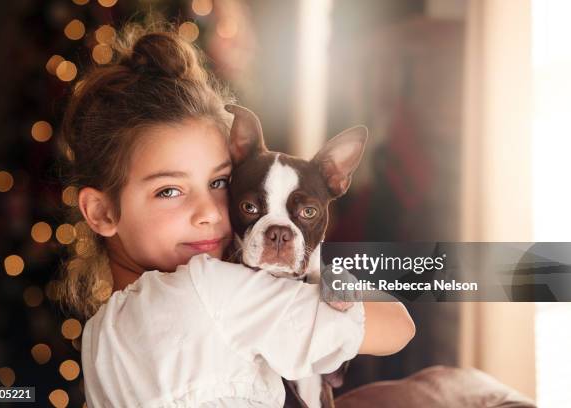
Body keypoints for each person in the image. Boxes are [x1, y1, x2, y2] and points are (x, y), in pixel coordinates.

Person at [57, 20, 415, 407]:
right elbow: (397, 327)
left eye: (218, 184)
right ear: (102, 211)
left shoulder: (97, 335)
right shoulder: (211, 288)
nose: (209, 213)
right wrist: (326, 276)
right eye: (170, 191)